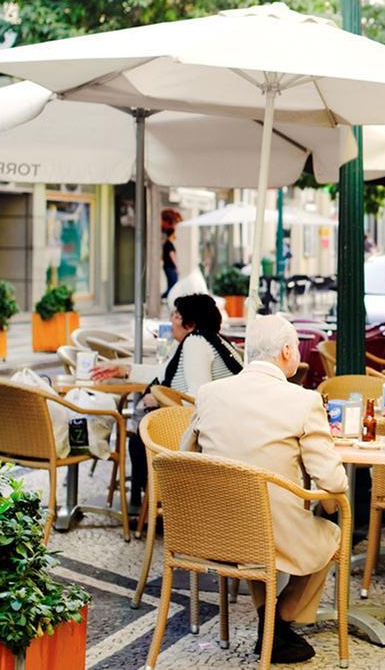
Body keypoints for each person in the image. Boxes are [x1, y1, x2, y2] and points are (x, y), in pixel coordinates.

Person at [181, 314, 347, 664]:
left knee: (258, 528)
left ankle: (267, 622)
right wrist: (332, 505)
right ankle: (280, 621)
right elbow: (331, 481)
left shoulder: (209, 394)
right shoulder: (302, 401)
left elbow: (184, 458)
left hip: (215, 532)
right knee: (333, 532)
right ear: (287, 351)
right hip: (269, 531)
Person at [92, 294, 243, 513]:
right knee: (140, 432)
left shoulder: (196, 343)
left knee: (141, 436)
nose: (171, 319)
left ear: (190, 324)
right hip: (228, 427)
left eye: (176, 315)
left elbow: (197, 396)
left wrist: (163, 398)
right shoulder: (208, 339)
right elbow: (164, 373)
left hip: (213, 434)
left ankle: (151, 502)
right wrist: (125, 370)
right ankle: (146, 501)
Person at [161, 227, 179, 300]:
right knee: (174, 284)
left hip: (167, 266)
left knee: (171, 284)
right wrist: (177, 266)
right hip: (170, 267)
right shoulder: (169, 244)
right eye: (174, 233)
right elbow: (172, 255)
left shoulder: (166, 244)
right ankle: (164, 296)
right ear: (172, 234)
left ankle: (166, 297)